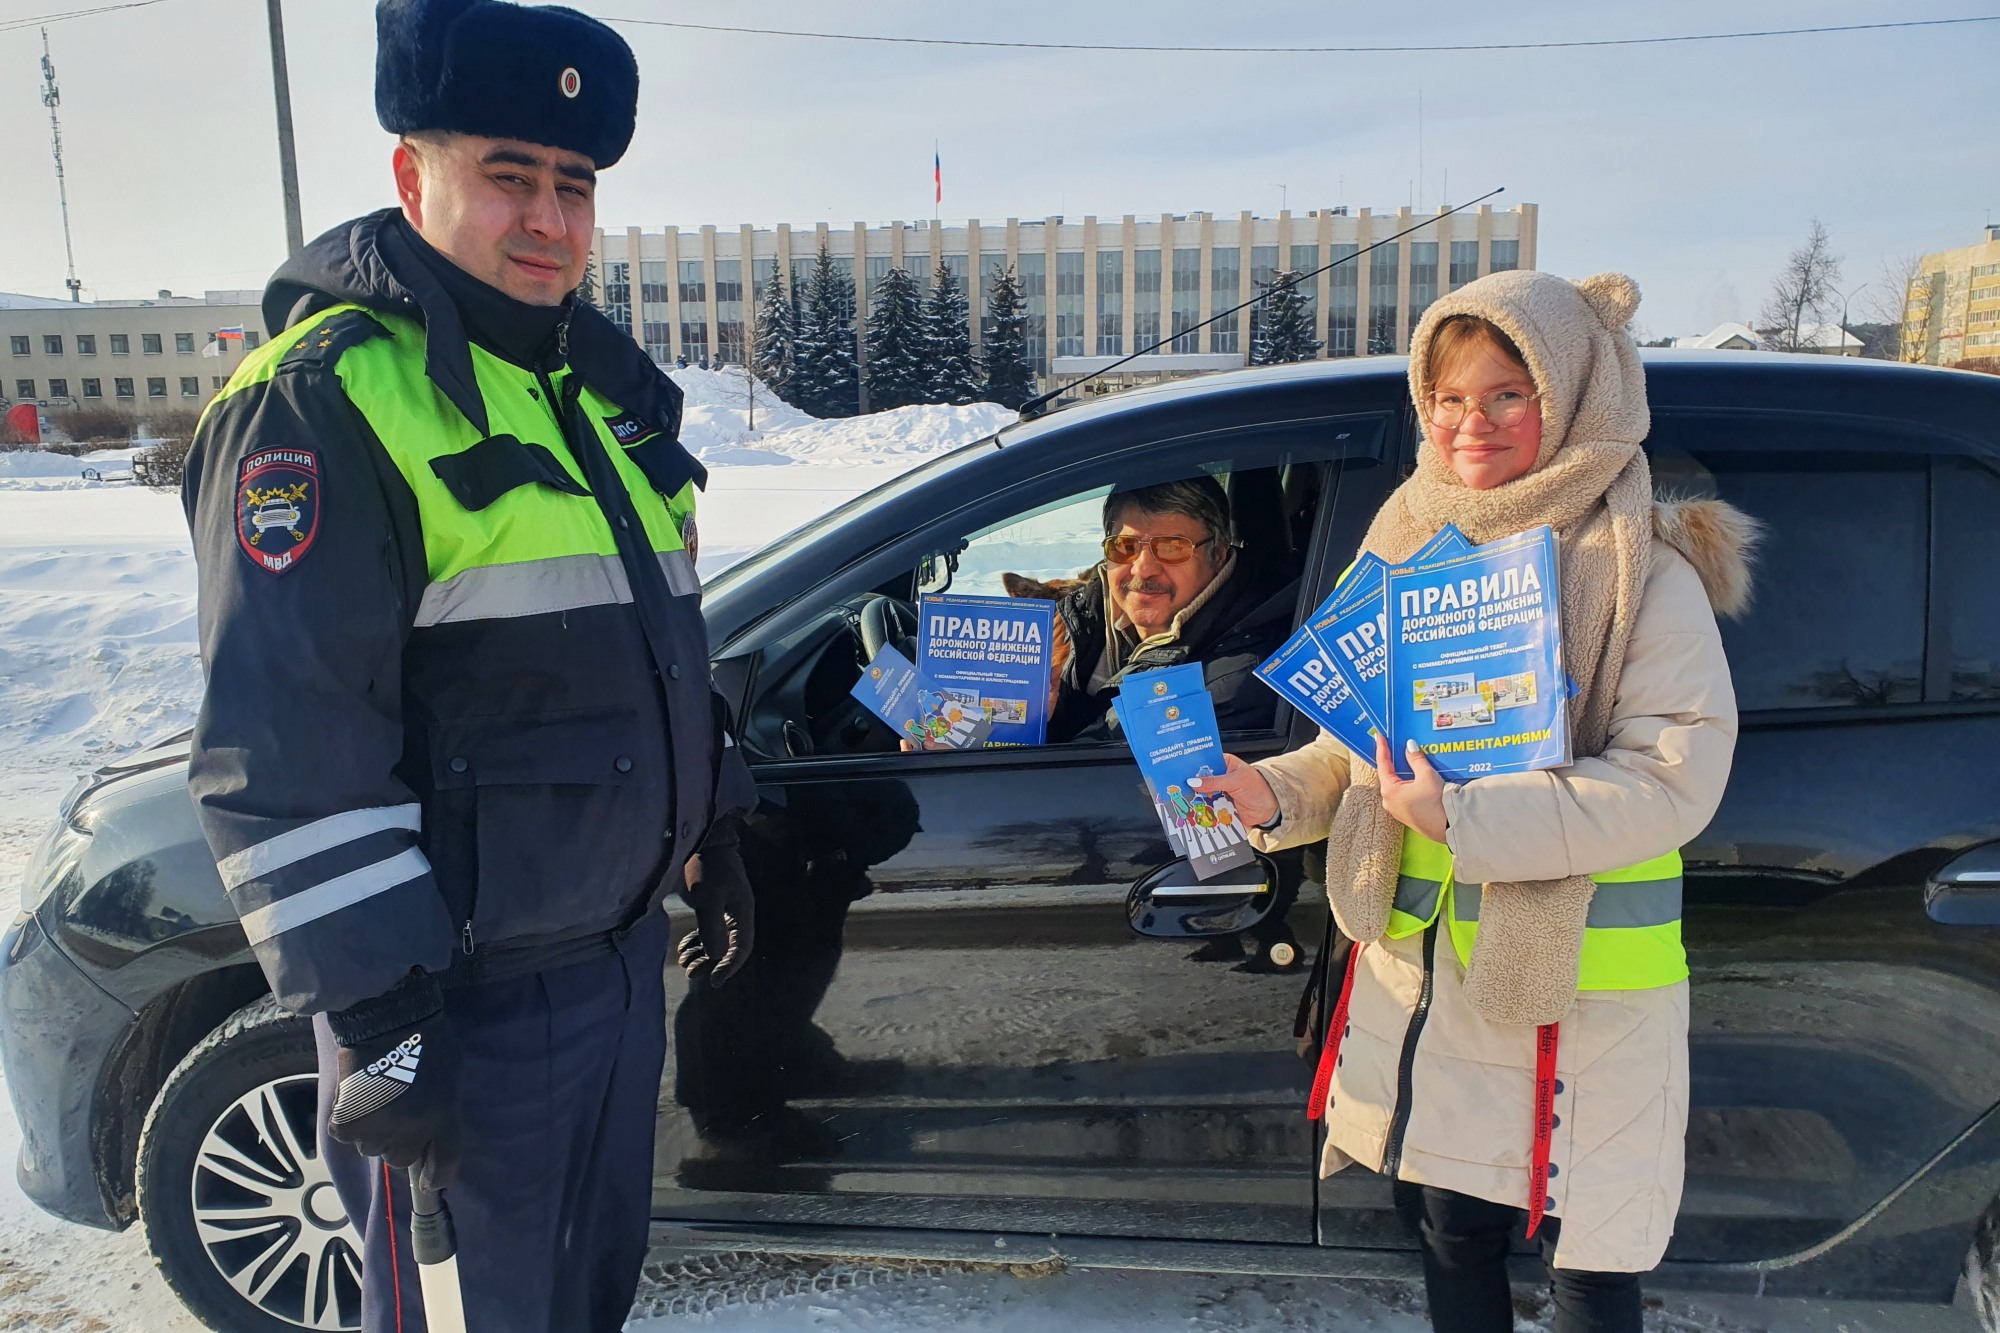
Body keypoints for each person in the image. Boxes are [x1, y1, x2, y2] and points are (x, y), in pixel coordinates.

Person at [180, 2, 756, 1327]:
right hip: (460, 1009)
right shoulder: (323, 400)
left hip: (612, 976)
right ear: (410, 176)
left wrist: (711, 825)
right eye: (507, 175)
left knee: (581, 1298)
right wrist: (382, 1014)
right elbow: (289, 750)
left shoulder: (605, 400)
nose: (549, 219)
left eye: (574, 186)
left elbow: (661, 649)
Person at [1193, 270, 1756, 1333]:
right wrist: (1265, 792)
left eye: (1506, 393)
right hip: (1430, 985)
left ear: (1569, 390)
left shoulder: (1636, 562)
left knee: (1589, 1267)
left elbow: (1671, 775)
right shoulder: (1405, 535)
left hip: (1578, 994)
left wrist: (1464, 820)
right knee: (1450, 1229)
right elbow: (1355, 749)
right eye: (1447, 397)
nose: (1469, 423)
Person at [1037, 476, 1294, 742]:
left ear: (1217, 554)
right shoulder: (1084, 619)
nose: (1143, 569)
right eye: (1125, 547)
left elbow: (1087, 775)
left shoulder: (1229, 683)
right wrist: (1036, 720)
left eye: (1172, 548)